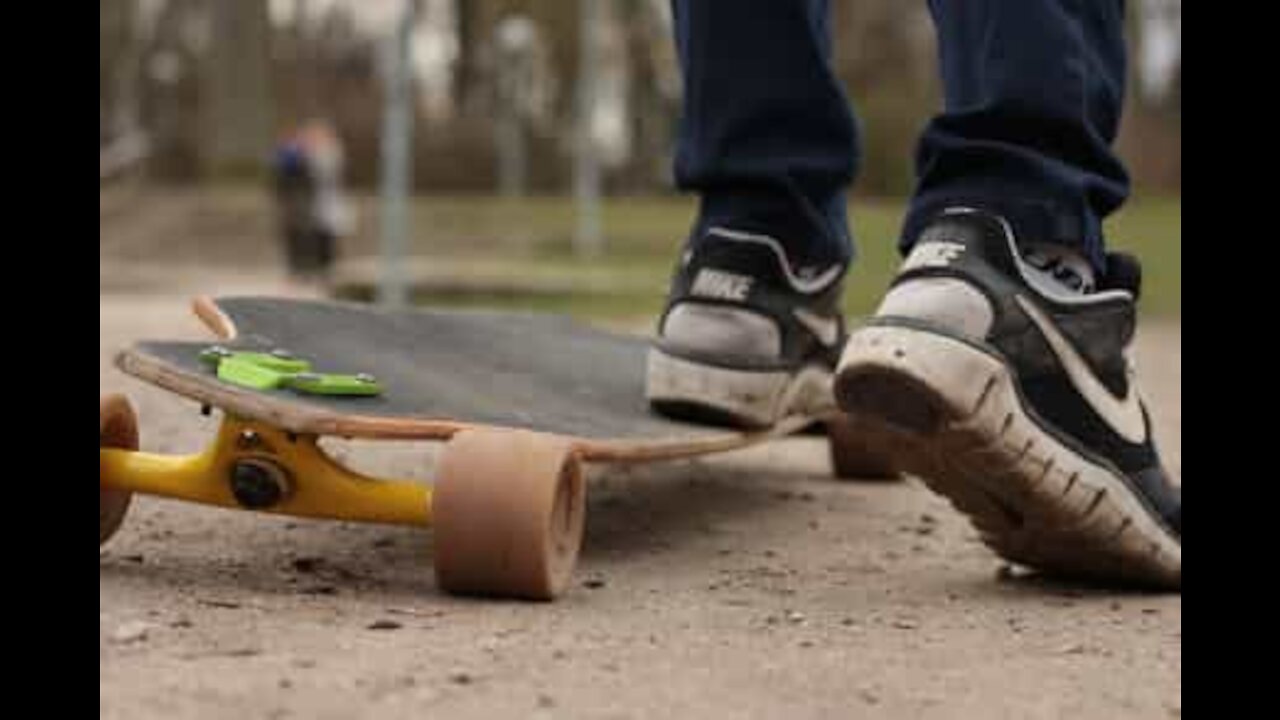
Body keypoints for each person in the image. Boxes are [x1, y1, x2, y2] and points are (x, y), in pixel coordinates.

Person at [645, 0, 1180, 589]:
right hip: (1018, 238)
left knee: (761, 218)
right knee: (1021, 196)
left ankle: (753, 257)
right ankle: (1024, 247)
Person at [272, 120, 353, 282]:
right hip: (302, 201)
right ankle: (302, 269)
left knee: (324, 236)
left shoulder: (327, 153)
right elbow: (284, 177)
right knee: (300, 235)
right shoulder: (294, 153)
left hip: (321, 200)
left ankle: (322, 269)